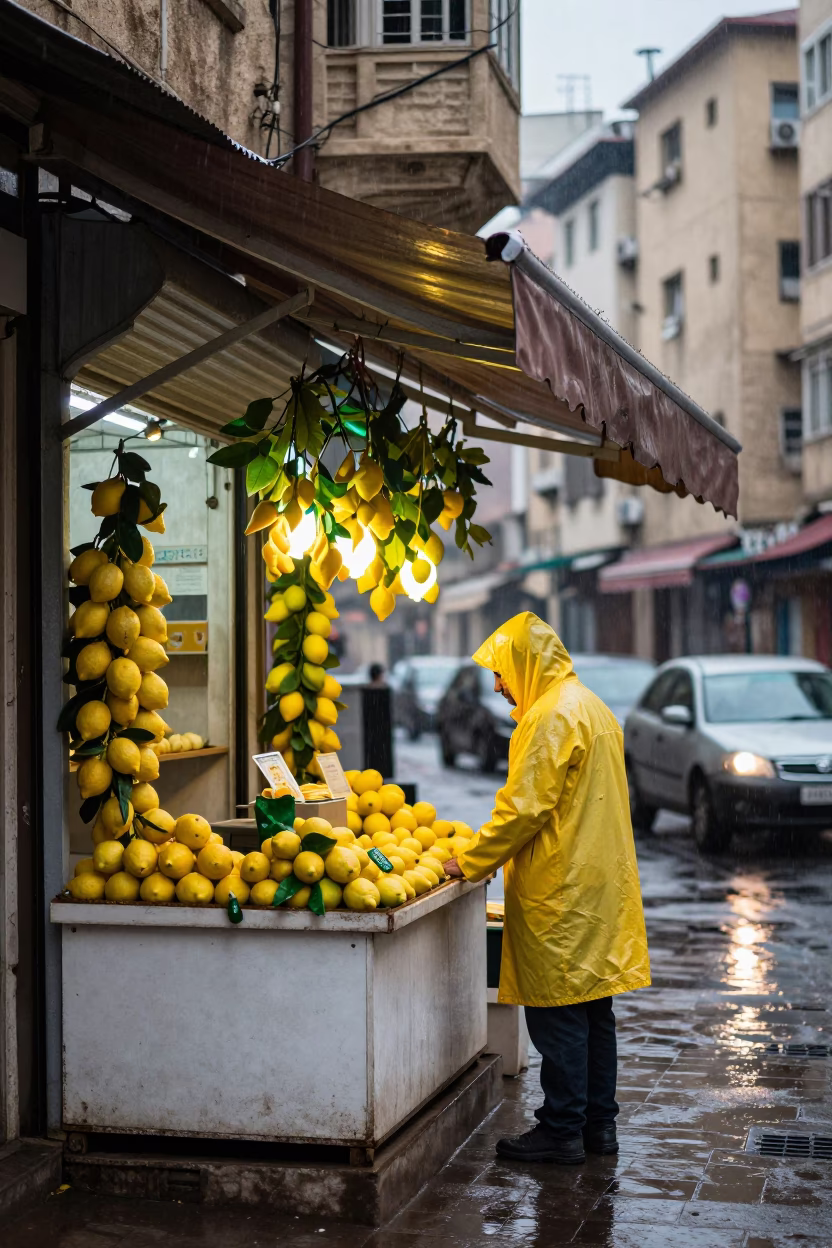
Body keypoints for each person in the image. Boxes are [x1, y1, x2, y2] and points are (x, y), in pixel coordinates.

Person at [444, 613, 650, 1164]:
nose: (497, 685)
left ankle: (561, 1131)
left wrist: (470, 860)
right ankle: (597, 1129)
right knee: (593, 1011)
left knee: (556, 1011)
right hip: (600, 883)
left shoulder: (548, 718)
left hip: (562, 887)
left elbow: (523, 810)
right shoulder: (591, 706)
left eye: (501, 671)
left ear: (525, 663)